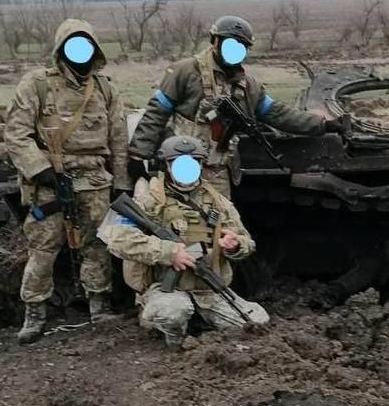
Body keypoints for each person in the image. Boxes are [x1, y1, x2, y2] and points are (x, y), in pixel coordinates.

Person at [3, 19, 129, 343]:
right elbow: (16, 134)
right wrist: (41, 171)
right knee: (43, 248)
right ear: (61, 50)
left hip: (95, 181)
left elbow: (118, 139)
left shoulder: (105, 89)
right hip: (51, 181)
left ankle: (99, 304)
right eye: (73, 46)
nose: (80, 53)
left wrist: (121, 182)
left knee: (97, 245)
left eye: (86, 46)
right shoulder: (37, 85)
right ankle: (34, 312)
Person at [127, 15, 345, 195]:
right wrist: (138, 155)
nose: (234, 51)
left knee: (220, 225)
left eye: (241, 47)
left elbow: (277, 113)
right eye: (230, 44)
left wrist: (323, 125)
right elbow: (157, 113)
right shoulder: (186, 71)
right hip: (181, 166)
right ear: (215, 41)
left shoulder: (248, 86)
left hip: (219, 170)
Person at [102, 136, 269, 348]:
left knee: (257, 321)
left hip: (207, 288)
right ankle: (175, 341)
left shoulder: (218, 202)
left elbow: (247, 242)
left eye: (192, 162)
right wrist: (169, 252)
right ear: (167, 165)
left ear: (200, 164)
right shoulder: (148, 199)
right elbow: (117, 239)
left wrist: (235, 245)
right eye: (178, 163)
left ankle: (198, 320)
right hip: (165, 288)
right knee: (172, 313)